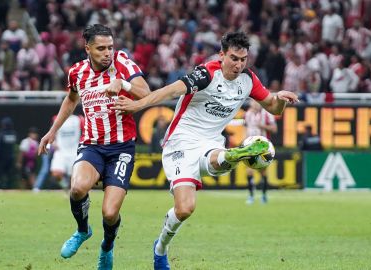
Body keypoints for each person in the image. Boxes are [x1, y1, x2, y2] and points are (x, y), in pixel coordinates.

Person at [112, 31, 298, 269]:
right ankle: (160, 248)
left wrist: (280, 98)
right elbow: (168, 91)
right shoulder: (206, 74)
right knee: (185, 208)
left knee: (219, 159)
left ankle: (235, 155)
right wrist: (136, 105)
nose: (239, 65)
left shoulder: (248, 80)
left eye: (243, 60)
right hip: (181, 141)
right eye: (233, 58)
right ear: (222, 55)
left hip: (211, 142)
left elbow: (274, 108)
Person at [37, 24, 150, 269]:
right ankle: (82, 230)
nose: (107, 52)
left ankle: (107, 248)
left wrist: (124, 84)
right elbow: (71, 98)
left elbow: (146, 92)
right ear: (87, 48)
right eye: (101, 48)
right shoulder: (76, 72)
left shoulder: (123, 63)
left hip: (121, 149)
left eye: (110, 47)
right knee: (77, 188)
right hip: (92, 146)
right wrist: (52, 131)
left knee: (110, 214)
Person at [243, 100, 277, 204]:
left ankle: (263, 195)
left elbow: (274, 129)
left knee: (262, 172)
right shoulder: (247, 114)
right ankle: (251, 196)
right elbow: (246, 129)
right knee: (249, 171)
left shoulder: (267, 114)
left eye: (256, 102)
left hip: (263, 147)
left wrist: (262, 126)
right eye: (253, 102)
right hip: (250, 147)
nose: (254, 104)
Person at [50, 114, 82, 190]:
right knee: (56, 173)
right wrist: (53, 142)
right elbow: (52, 131)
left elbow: (85, 131)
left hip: (74, 151)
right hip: (60, 151)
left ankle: (72, 193)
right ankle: (65, 186)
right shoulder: (56, 118)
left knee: (74, 177)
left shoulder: (79, 119)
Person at [0, 117, 17, 189]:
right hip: (11, 157)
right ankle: (9, 188)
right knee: (9, 175)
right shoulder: (13, 134)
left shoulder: (1, 134)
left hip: (1, 158)